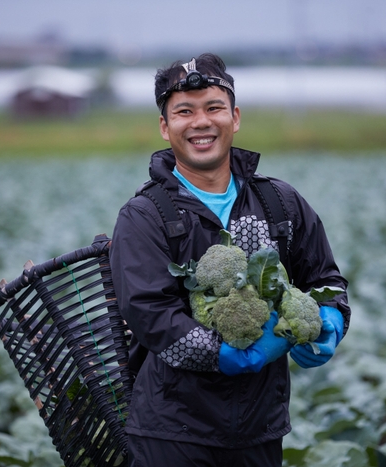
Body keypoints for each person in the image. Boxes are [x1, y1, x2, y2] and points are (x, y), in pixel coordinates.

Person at [110, 53, 351, 467]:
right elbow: (149, 312)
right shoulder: (144, 215)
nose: (201, 122)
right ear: (166, 127)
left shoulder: (280, 203)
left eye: (214, 108)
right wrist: (227, 354)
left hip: (261, 428)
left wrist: (328, 322)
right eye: (184, 112)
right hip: (172, 434)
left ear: (235, 117)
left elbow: (326, 279)